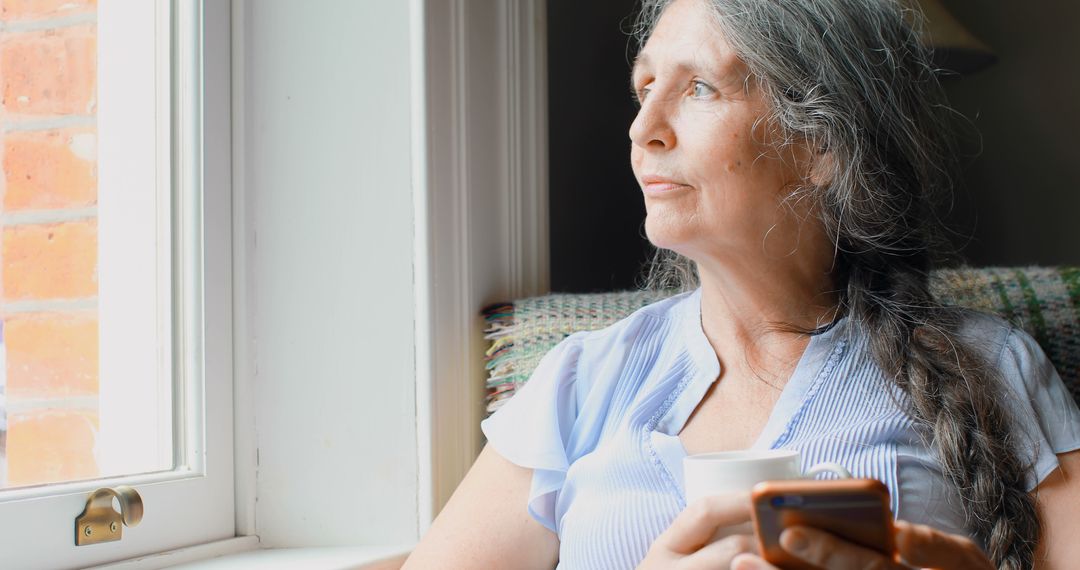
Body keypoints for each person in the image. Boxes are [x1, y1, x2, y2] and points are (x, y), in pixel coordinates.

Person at [402, 0, 1080, 568]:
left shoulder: (991, 367)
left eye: (699, 88)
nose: (642, 129)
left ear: (822, 145)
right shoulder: (581, 382)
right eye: (645, 88)